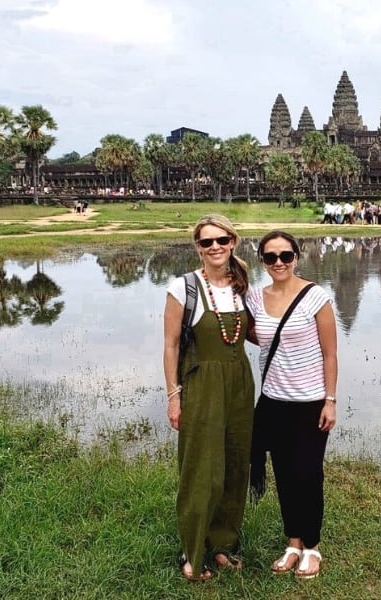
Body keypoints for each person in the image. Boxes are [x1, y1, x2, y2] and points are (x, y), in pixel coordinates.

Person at [162, 214, 255, 581]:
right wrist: (174, 395)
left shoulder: (242, 285)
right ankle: (193, 552)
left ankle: (224, 545)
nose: (214, 247)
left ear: (233, 241)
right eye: (206, 242)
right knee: (203, 470)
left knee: (235, 466)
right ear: (197, 248)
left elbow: (252, 334)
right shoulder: (183, 288)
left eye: (221, 240)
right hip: (202, 384)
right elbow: (170, 346)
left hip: (240, 383)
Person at [247, 230, 338, 580]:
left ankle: (312, 547)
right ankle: (293, 543)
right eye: (271, 257)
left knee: (308, 474)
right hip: (273, 401)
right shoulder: (255, 298)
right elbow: (249, 332)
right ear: (263, 262)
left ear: (297, 257)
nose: (279, 263)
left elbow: (330, 353)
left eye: (285, 255)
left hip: (310, 401)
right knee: (284, 474)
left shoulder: (316, 297)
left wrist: (330, 400)